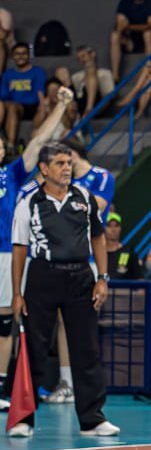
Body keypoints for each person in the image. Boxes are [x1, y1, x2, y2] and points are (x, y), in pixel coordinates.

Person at [7, 143, 117, 439]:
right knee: (34, 349)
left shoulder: (84, 197)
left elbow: (98, 238)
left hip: (81, 277)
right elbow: (19, 249)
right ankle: (23, 419)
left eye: (69, 163)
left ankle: (92, 420)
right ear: (44, 169)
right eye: (60, 163)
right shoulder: (28, 202)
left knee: (87, 349)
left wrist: (102, 278)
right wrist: (17, 293)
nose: (67, 168)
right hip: (42, 276)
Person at [0, 87, 72, 412]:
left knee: (6, 323)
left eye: (1, 146)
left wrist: (61, 106)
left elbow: (39, 142)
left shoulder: (11, 175)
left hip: (6, 254)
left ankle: (5, 386)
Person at [111, 0, 151, 82]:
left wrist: (128, 26)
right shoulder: (125, 0)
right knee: (115, 36)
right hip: (131, 40)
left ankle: (149, 71)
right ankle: (115, 75)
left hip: (150, 40)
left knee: (147, 34)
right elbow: (119, 24)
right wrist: (127, 27)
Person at [2, 43, 48, 146]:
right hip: (14, 107)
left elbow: (40, 90)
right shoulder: (8, 74)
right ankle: (10, 145)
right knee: (12, 107)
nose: (21, 56)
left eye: (24, 53)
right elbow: (3, 96)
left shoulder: (37, 71)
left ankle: (19, 144)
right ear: (13, 56)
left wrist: (42, 105)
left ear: (28, 55)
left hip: (32, 106)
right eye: (17, 54)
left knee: (15, 107)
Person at [63, 45, 115, 114]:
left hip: (95, 104)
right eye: (78, 59)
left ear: (93, 54)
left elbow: (108, 98)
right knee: (62, 71)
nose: (81, 60)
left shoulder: (104, 73)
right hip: (78, 102)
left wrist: (95, 111)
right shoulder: (76, 76)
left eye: (83, 56)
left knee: (91, 71)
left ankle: (88, 110)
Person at [104, 213, 145, 281]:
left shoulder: (128, 252)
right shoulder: (97, 254)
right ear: (103, 229)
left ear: (120, 228)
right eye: (109, 226)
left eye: (116, 226)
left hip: (124, 288)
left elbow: (140, 279)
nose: (113, 229)